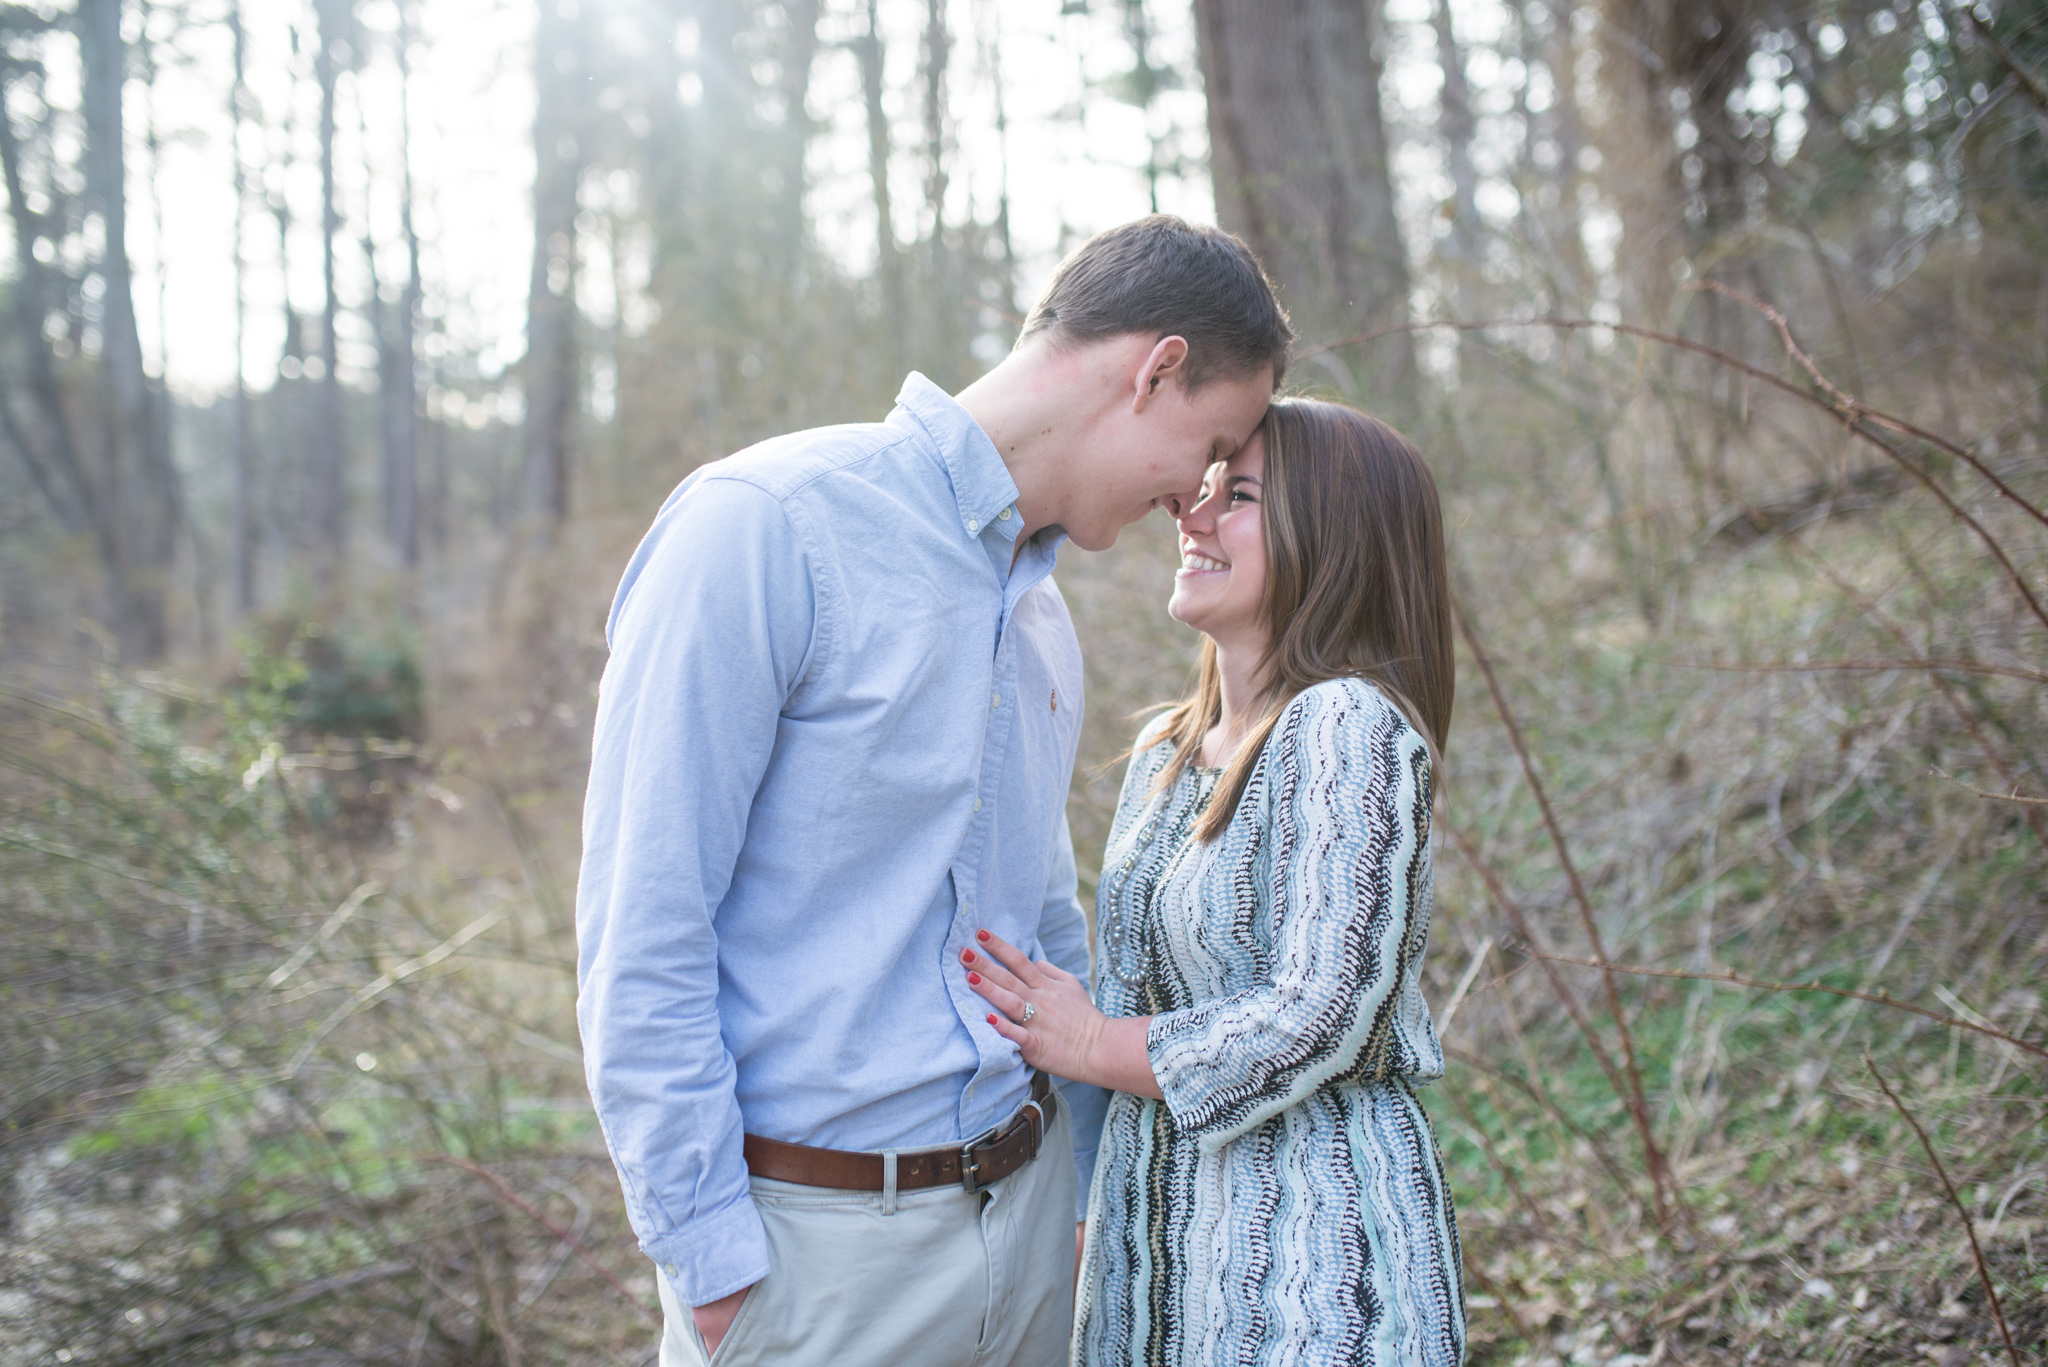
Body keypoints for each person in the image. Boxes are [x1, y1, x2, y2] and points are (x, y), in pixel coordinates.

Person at [575, 215, 1293, 1367]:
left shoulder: (1042, 616)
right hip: (818, 1263)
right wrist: (713, 1270)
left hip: (1029, 1238)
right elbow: (642, 924)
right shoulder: (764, 528)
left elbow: (1043, 922)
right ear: (1153, 369)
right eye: (1205, 445)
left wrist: (1083, 1198)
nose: (1190, 496)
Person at [961, 398, 1467, 1366]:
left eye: (1234, 496)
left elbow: (1323, 1008)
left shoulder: (1345, 726)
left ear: (1330, 532)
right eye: (1200, 490)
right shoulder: (1169, 748)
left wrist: (1096, 1041)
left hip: (1312, 1269)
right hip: (1152, 1262)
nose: (1189, 518)